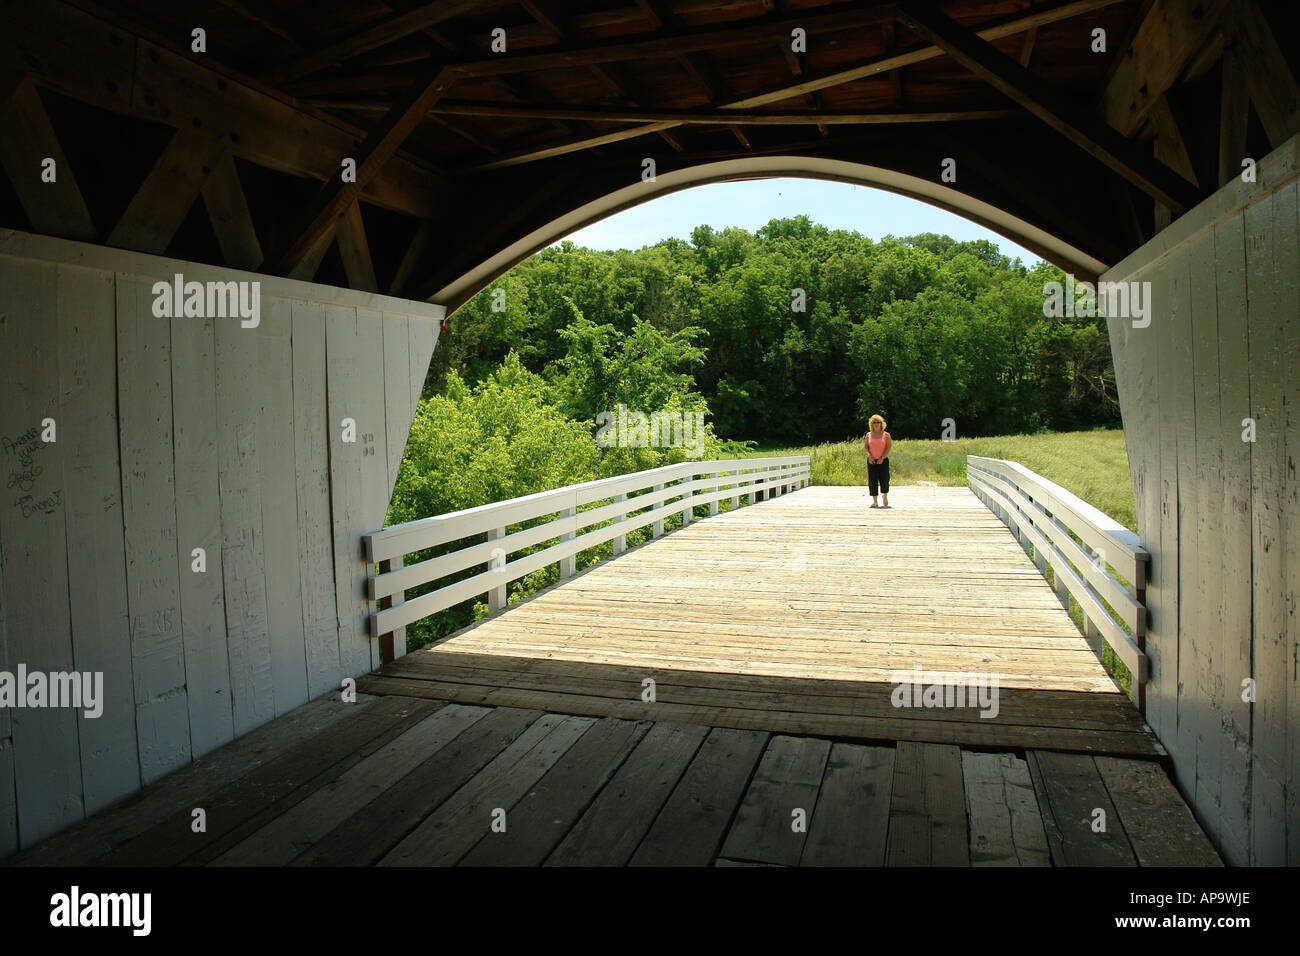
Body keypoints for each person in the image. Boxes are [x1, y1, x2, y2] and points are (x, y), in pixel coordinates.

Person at [864, 414, 892, 508]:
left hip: (883, 460)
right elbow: (866, 448)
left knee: (884, 479)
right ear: (871, 424)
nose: (876, 424)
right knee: (872, 480)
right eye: (874, 422)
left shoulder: (886, 435)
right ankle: (875, 501)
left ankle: (885, 495)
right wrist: (870, 456)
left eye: (878, 422)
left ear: (881, 424)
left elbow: (888, 448)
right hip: (872, 460)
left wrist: (882, 457)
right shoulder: (868, 435)